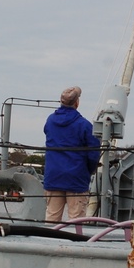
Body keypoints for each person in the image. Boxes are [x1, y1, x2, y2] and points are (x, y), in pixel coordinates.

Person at [43, 86, 101, 222]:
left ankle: (47, 241)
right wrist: (89, 170)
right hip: (76, 178)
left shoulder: (50, 121)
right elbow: (93, 153)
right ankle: (76, 242)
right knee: (77, 220)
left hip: (53, 176)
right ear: (77, 102)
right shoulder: (84, 125)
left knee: (51, 217)